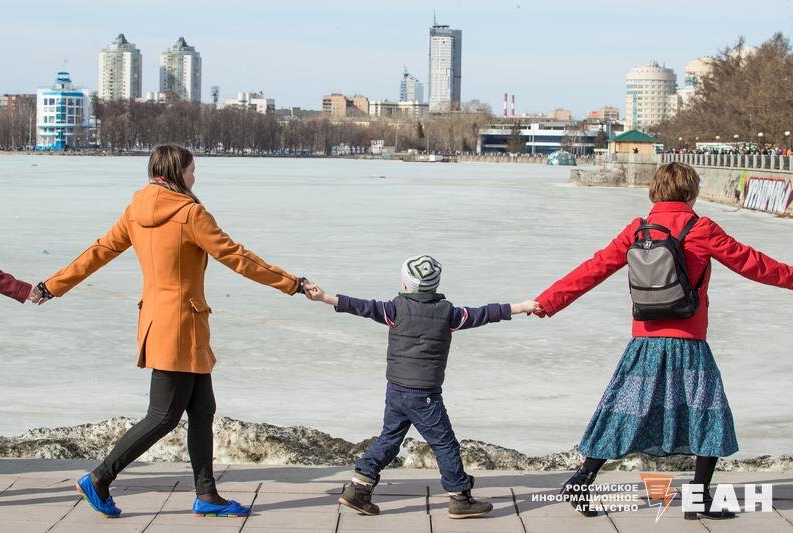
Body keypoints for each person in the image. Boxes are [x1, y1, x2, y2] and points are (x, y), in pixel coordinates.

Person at [35, 144, 308, 519]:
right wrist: (292, 283)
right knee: (162, 415)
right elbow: (237, 257)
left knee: (202, 411)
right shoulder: (190, 213)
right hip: (182, 325)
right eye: (193, 171)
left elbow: (98, 251)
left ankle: (207, 495)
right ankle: (99, 478)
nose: (195, 178)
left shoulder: (135, 210)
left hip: (160, 322)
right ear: (178, 172)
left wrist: (53, 285)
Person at [531, 162, 793, 520]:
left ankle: (581, 480)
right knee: (708, 416)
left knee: (621, 413)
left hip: (646, 342)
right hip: (689, 341)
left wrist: (548, 301)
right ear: (691, 191)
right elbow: (754, 264)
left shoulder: (638, 230)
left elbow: (594, 268)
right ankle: (698, 499)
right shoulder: (702, 228)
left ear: (654, 190)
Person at [304, 255, 537, 519]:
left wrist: (324, 297)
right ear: (435, 285)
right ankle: (460, 498)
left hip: (396, 390)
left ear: (405, 285)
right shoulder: (449, 313)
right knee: (445, 445)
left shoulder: (394, 309)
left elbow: (362, 306)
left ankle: (359, 487)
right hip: (424, 394)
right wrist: (521, 307)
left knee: (389, 439)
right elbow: (484, 314)